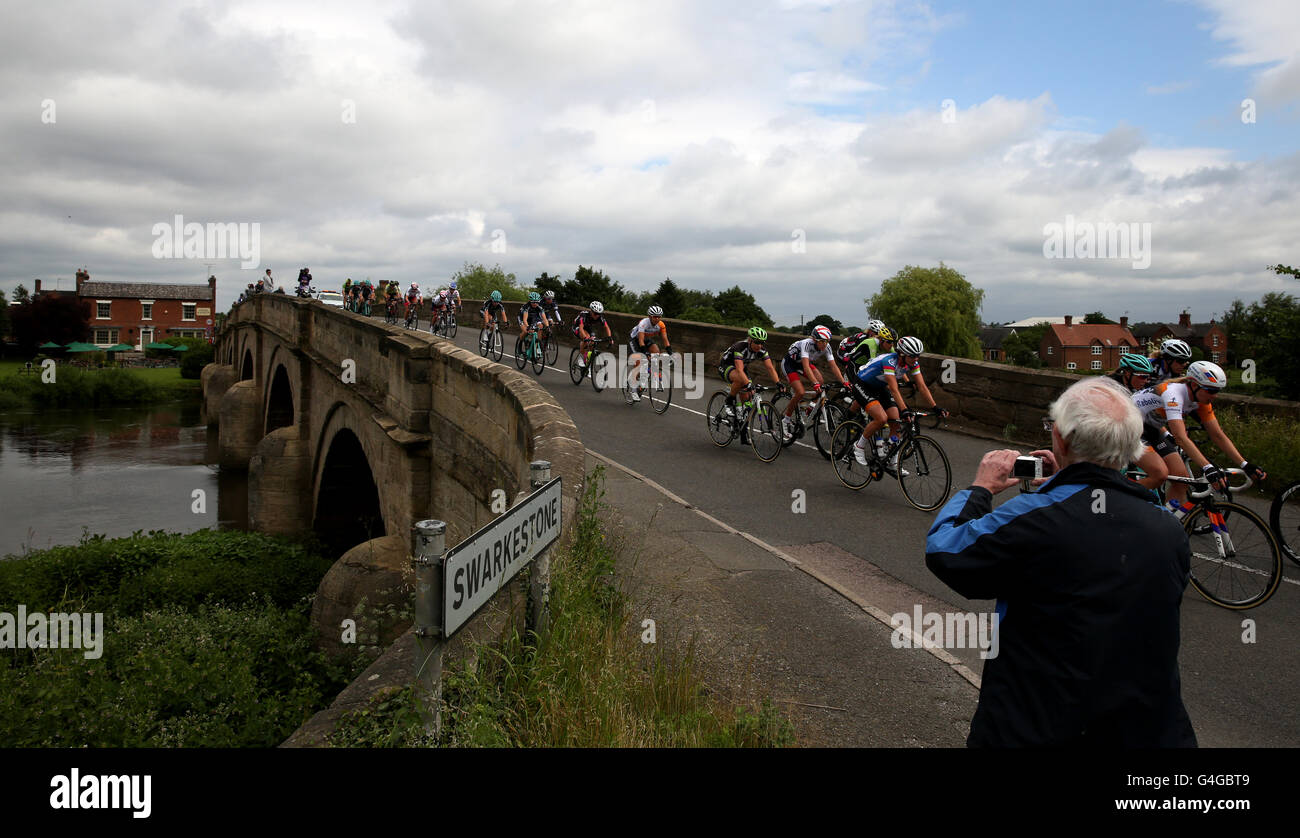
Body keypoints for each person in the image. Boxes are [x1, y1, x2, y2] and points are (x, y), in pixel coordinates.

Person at [925, 376, 1197, 747]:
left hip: (1036, 726)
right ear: (1131, 448)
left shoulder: (1033, 519)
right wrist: (1070, 480)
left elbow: (946, 552)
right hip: (1152, 731)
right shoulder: (1168, 529)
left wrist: (981, 488)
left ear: (1060, 438)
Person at [1130, 360, 1266, 516]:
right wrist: (1207, 468)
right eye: (1210, 390)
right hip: (1129, 425)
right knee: (1159, 474)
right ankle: (1117, 497)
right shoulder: (1173, 393)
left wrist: (1245, 464)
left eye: (1218, 391)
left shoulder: (1202, 400)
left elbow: (1217, 435)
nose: (1214, 396)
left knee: (1181, 480)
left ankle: (1164, 522)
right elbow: (1180, 437)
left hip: (1151, 428)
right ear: (1194, 385)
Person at [780, 325, 849, 436]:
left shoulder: (827, 347)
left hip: (802, 364)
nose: (825, 344)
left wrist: (843, 382)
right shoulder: (806, 343)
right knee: (800, 392)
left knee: (821, 381)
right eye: (822, 341)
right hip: (790, 364)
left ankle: (810, 408)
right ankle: (786, 419)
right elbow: (806, 366)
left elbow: (833, 366)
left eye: (827, 341)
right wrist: (814, 383)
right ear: (814, 339)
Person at [718, 326, 784, 419]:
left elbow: (770, 368)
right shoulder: (740, 347)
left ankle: (741, 421)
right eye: (757, 342)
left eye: (762, 343)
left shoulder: (762, 351)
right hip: (726, 365)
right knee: (741, 381)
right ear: (749, 340)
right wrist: (748, 384)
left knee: (748, 396)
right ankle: (728, 402)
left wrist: (778, 383)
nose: (759, 345)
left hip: (741, 368)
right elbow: (739, 370)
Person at [627, 305, 671, 402]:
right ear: (650, 316)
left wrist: (670, 351)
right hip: (635, 340)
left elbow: (665, 339)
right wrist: (645, 353)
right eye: (655, 316)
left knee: (656, 353)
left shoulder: (661, 325)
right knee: (640, 362)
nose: (657, 319)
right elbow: (641, 341)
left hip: (646, 340)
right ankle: (634, 390)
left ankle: (652, 374)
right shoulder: (643, 323)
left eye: (659, 316)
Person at [571, 301, 612, 367]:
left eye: (599, 313)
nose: (597, 316)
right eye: (595, 313)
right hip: (577, 327)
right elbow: (581, 328)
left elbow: (607, 327)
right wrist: (585, 338)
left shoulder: (599, 317)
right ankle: (581, 358)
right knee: (586, 338)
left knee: (593, 342)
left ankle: (587, 364)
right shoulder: (584, 315)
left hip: (587, 328)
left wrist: (610, 337)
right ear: (591, 311)